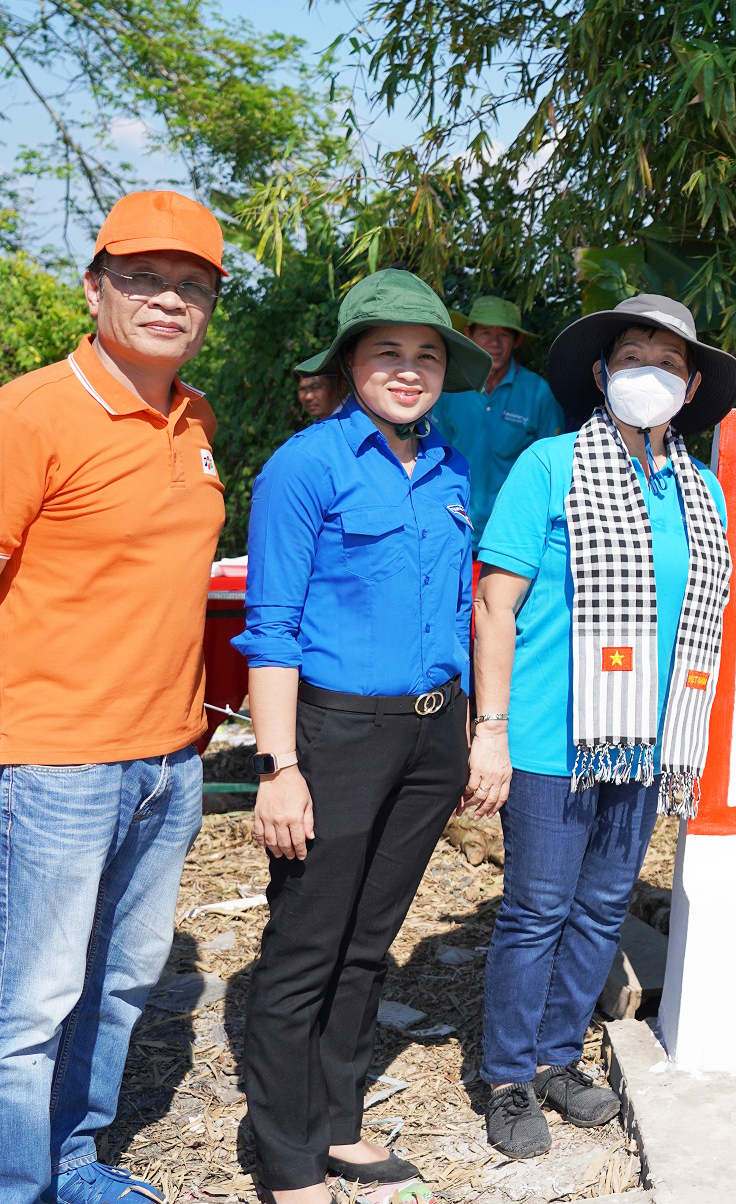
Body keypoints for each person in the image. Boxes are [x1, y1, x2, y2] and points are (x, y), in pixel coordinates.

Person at [232, 269, 491, 1202]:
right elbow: (271, 626)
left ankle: (336, 1120)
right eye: (388, 351)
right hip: (334, 734)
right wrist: (278, 767)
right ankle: (285, 1151)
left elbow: (461, 608)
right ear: (350, 364)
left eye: (427, 355)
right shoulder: (307, 465)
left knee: (370, 941)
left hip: (429, 737)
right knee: (307, 943)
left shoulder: (453, 467)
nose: (410, 370)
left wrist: (469, 731)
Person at [467, 294, 736, 1157]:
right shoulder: (549, 467)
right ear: (600, 373)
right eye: (632, 357)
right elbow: (494, 607)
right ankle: (507, 1077)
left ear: (690, 387)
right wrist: (492, 729)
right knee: (537, 909)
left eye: (667, 361)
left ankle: (555, 1059)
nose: (647, 374)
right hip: (552, 737)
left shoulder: (701, 493)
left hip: (647, 742)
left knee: (601, 910)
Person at [0, 191, 228, 1204]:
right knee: (31, 1003)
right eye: (142, 277)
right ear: (94, 288)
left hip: (171, 762)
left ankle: (74, 1160)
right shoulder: (32, 412)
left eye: (192, 285)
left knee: (125, 982)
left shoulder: (196, 417)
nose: (168, 300)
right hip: (54, 760)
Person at [431, 295, 563, 539]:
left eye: (503, 334)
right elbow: (432, 456)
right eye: (485, 333)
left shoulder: (538, 392)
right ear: (469, 333)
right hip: (452, 526)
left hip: (513, 532)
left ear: (517, 340)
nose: (494, 343)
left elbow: (553, 468)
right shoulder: (448, 388)